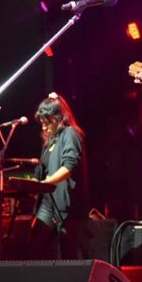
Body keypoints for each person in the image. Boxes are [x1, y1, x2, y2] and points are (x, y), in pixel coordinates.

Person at [31, 92, 90, 259]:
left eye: (46, 122)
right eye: (41, 123)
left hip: (67, 205)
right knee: (35, 250)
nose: (43, 127)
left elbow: (69, 167)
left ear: (58, 118)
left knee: (68, 254)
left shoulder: (70, 133)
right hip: (47, 204)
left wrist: (47, 182)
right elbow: (40, 172)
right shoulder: (49, 142)